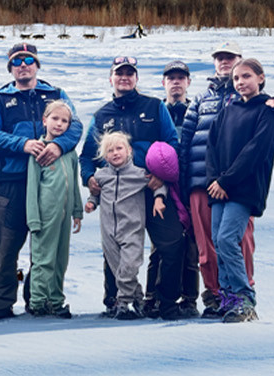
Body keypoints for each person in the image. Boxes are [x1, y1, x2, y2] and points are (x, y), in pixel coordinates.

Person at [79, 55, 192, 320]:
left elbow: (171, 144)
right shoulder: (102, 114)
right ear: (111, 79)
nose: (124, 77)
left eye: (130, 74)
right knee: (114, 246)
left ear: (136, 79)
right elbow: (86, 156)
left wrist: (161, 176)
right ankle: (114, 299)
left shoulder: (153, 107)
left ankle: (165, 301)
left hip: (151, 188)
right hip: (117, 191)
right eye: (119, 73)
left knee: (172, 241)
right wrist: (88, 178)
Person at [0, 43, 82, 320]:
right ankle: (2, 302)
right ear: (10, 67)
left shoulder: (55, 94)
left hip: (49, 182)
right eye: (16, 61)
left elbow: (75, 125)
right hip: (14, 180)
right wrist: (23, 144)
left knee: (45, 245)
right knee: (9, 246)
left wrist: (59, 146)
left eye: (28, 60)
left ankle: (39, 299)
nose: (23, 65)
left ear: (36, 65)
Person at [178, 41, 261, 318]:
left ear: (240, 60)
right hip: (201, 182)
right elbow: (186, 140)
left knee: (239, 240)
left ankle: (242, 292)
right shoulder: (202, 99)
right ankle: (215, 296)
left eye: (230, 58)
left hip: (236, 184)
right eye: (219, 58)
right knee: (207, 244)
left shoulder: (247, 98)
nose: (224, 62)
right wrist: (183, 181)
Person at [206, 58, 274, 323]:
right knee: (218, 242)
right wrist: (214, 180)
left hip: (243, 189)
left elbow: (256, 151)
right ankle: (228, 296)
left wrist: (226, 182)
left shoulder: (266, 111)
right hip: (219, 189)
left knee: (228, 240)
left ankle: (244, 298)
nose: (241, 82)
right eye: (236, 79)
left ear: (260, 79)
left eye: (246, 77)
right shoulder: (228, 110)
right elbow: (212, 145)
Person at [84, 131, 165, 319]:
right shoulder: (101, 176)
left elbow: (158, 185)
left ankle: (123, 301)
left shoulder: (139, 174)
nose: (115, 153)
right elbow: (95, 193)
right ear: (105, 156)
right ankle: (138, 299)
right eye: (110, 151)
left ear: (129, 150)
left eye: (119, 148)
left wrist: (159, 198)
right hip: (108, 231)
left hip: (132, 230)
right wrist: (91, 202)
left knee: (129, 266)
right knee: (118, 269)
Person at [147, 59, 200, 316]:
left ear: (188, 82)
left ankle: (189, 299)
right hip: (164, 185)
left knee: (192, 242)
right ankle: (153, 296)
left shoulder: (196, 111)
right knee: (162, 243)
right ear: (164, 83)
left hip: (191, 183)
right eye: (171, 78)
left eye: (181, 78)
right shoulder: (158, 112)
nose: (176, 82)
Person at [25, 101, 84, 318]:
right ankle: (38, 301)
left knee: (60, 259)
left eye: (64, 121)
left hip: (65, 215)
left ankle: (56, 300)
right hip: (44, 215)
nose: (59, 124)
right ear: (45, 120)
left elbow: (75, 186)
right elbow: (32, 188)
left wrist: (77, 211)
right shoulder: (38, 151)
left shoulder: (70, 153)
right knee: (43, 259)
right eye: (55, 119)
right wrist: (33, 219)